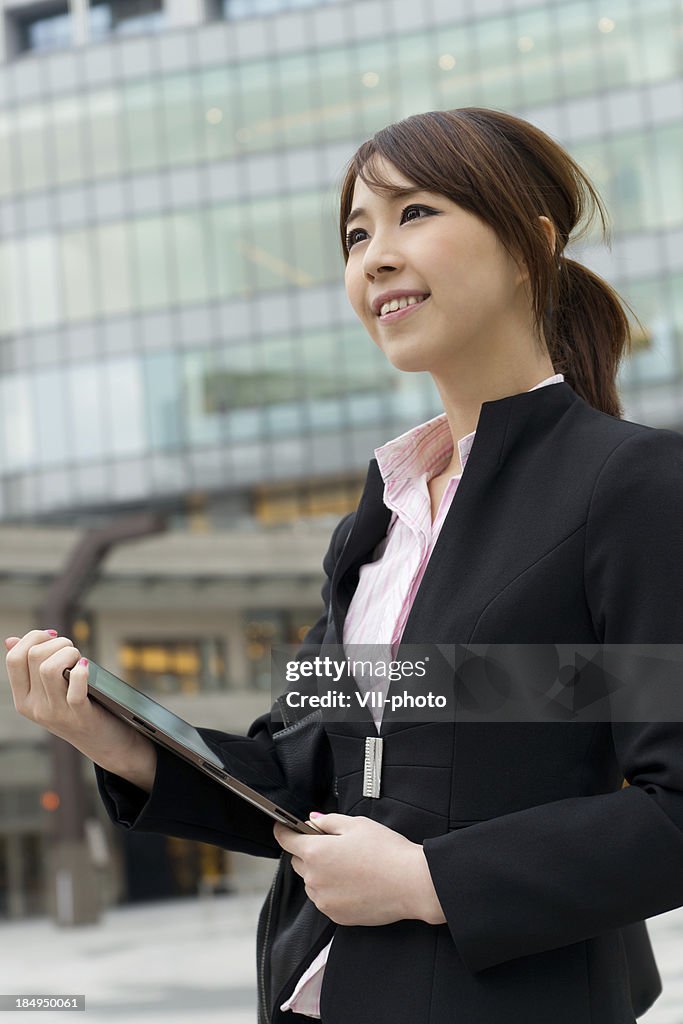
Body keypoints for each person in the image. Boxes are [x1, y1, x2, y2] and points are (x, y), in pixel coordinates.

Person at [6, 107, 683, 1024]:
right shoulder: (378, 518)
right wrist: (112, 736)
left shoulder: (627, 483)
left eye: (414, 214)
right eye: (356, 232)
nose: (374, 257)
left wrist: (427, 879)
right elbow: (304, 778)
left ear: (530, 244)